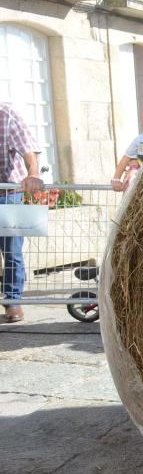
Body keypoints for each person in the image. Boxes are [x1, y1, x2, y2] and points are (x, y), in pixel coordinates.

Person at [0, 104, 44, 323]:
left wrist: (33, 173)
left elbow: (28, 148)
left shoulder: (6, 114)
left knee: (12, 250)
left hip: (8, 192)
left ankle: (13, 300)